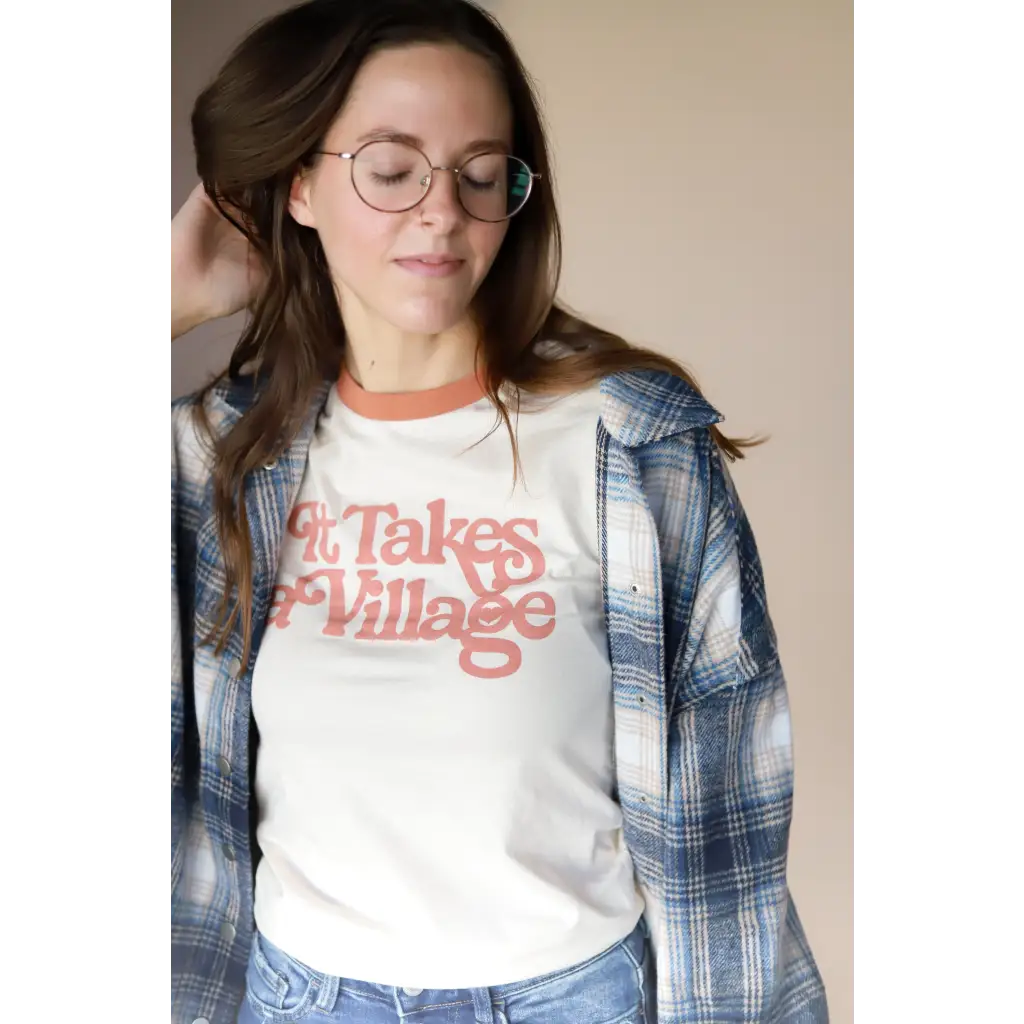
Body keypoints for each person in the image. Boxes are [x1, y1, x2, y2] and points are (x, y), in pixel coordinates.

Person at [168, 1, 828, 1022]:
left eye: (481, 175)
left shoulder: (634, 446)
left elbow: (724, 812)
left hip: (574, 997)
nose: (442, 213)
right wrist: (156, 303)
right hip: (300, 997)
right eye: (391, 169)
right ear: (298, 184)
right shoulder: (220, 457)